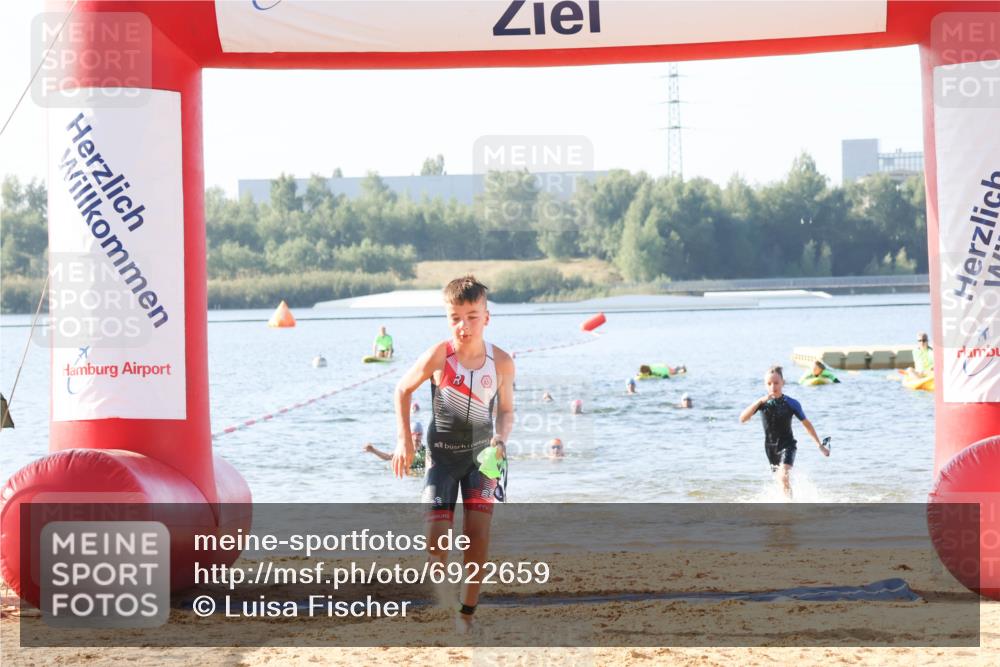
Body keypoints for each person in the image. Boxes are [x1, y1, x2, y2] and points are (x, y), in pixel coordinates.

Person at [391, 275, 515, 633]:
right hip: (441, 459)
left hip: (482, 461)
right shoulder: (439, 356)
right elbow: (402, 389)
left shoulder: (502, 363)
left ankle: (466, 614)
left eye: (472, 316)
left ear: (486, 318)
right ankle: (446, 597)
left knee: (478, 537)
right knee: (437, 545)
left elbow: (506, 411)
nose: (464, 325)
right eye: (456, 317)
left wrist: (501, 439)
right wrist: (404, 441)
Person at [739, 365, 829, 499]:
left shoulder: (791, 403)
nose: (773, 386)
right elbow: (742, 419)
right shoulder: (762, 403)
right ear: (765, 385)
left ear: (783, 383)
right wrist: (759, 401)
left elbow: (807, 425)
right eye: (769, 384)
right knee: (781, 480)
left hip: (788, 445)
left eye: (776, 383)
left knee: (783, 476)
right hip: (770, 448)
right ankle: (786, 507)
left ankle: (789, 508)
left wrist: (819, 445)